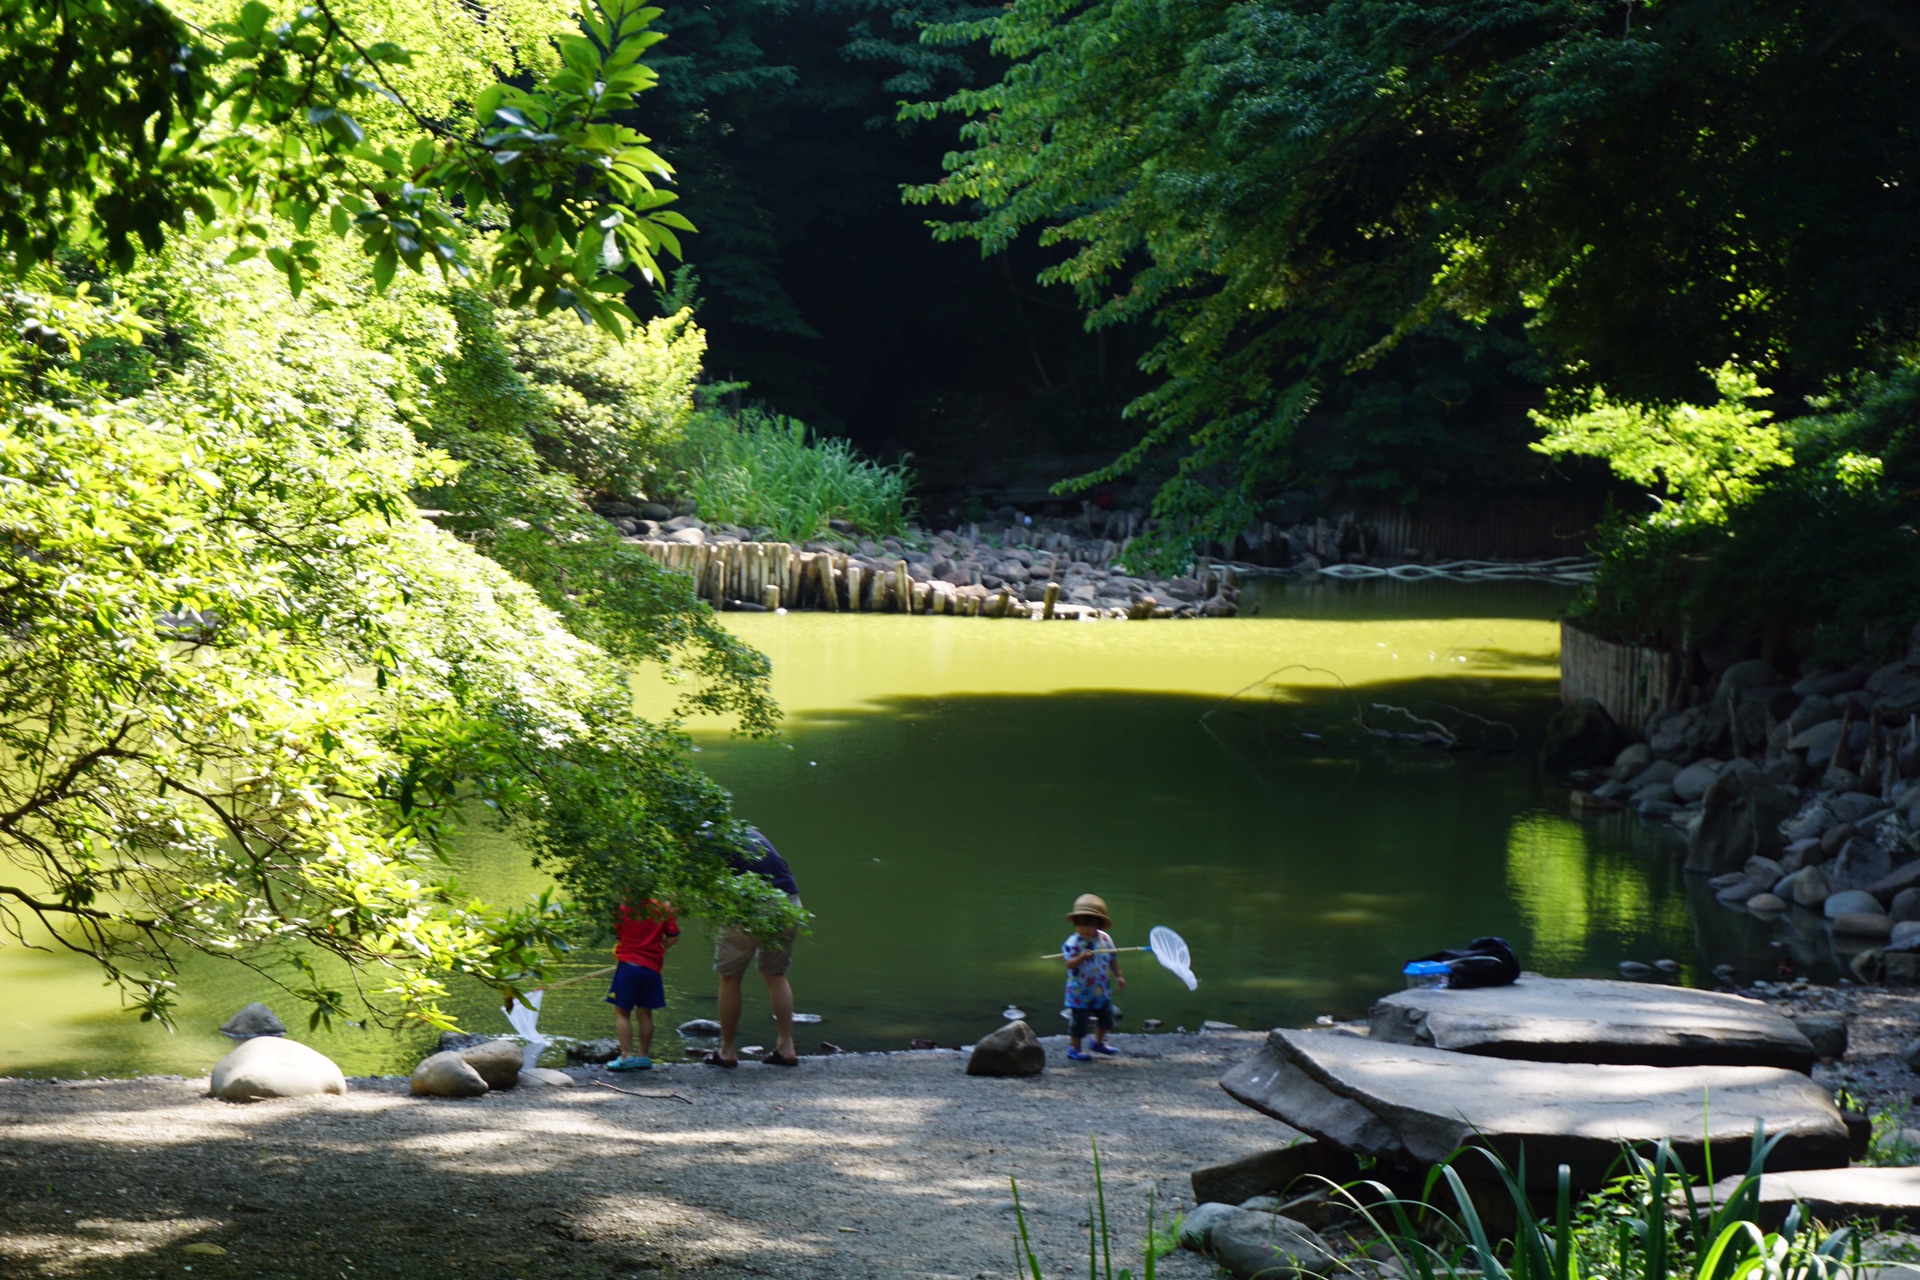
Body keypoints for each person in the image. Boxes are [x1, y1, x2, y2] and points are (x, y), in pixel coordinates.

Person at [712, 826, 802, 1068]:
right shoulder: (746, 830)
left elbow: (689, 893)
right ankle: (786, 1046)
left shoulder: (702, 842)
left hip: (748, 906)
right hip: (788, 903)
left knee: (730, 977)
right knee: (775, 974)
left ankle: (728, 1050)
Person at [605, 898, 679, 1071]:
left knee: (622, 1012)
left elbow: (619, 934)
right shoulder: (661, 909)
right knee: (645, 1012)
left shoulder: (623, 908)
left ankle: (626, 1056)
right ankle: (644, 1057)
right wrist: (661, 948)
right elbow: (674, 936)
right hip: (652, 968)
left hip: (628, 966)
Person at [1061, 892, 1125, 1061]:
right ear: (1075, 923)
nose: (1085, 928)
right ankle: (1074, 1048)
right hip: (1079, 992)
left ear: (1098, 924)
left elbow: (1113, 958)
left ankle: (1098, 1042)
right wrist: (1081, 957)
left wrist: (1119, 976)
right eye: (1081, 924)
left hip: (1100, 989)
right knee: (1079, 1023)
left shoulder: (1104, 939)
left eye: (1089, 924)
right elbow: (1069, 964)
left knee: (1106, 1018)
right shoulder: (1072, 943)